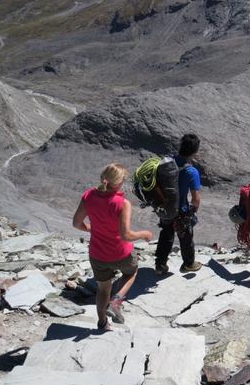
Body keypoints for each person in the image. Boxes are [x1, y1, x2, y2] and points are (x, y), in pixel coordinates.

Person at [72, 163, 152, 331]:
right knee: (131, 273)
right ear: (120, 182)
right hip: (120, 253)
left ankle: (102, 323)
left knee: (103, 288)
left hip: (97, 254)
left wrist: (93, 229)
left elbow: (76, 223)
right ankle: (116, 301)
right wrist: (144, 234)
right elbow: (126, 235)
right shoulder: (122, 203)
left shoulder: (88, 196)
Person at [155, 134, 203, 274]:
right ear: (195, 152)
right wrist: (193, 210)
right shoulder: (191, 171)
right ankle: (189, 264)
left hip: (165, 207)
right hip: (181, 209)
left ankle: (160, 265)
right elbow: (196, 198)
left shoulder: (166, 163)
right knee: (186, 236)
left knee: (166, 234)